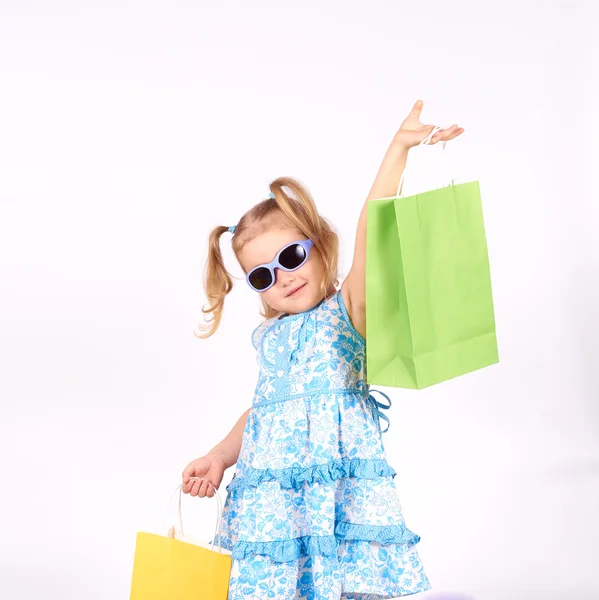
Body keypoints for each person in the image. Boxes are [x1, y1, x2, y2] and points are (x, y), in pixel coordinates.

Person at [182, 100, 464, 599]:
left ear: (319, 244)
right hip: (273, 501)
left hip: (336, 495)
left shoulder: (344, 312)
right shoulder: (270, 338)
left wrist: (398, 149)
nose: (284, 277)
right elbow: (265, 413)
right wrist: (221, 455)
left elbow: (372, 227)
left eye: (291, 256)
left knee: (337, 583)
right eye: (263, 275)